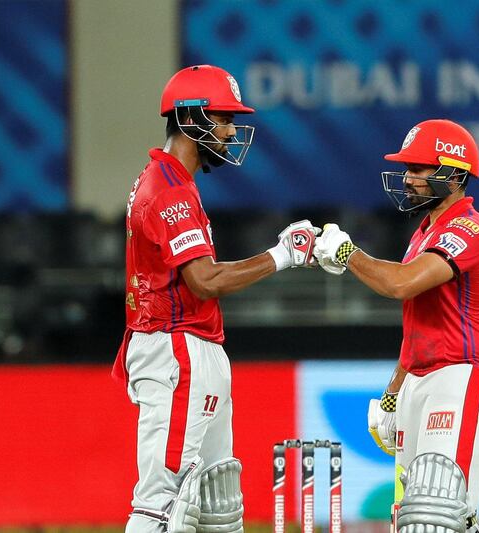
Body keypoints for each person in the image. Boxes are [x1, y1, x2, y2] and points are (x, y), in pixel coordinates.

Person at [112, 64, 319, 533]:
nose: (230, 131)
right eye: (222, 118)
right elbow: (204, 280)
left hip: (189, 344)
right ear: (189, 119)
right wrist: (282, 255)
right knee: (161, 500)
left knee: (217, 501)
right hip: (177, 348)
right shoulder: (168, 190)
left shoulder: (173, 182)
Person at [314, 119, 479, 533]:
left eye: (419, 169)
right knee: (412, 516)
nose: (408, 178)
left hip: (457, 376)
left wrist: (348, 253)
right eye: (408, 169)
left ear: (453, 174)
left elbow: (400, 285)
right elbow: (417, 327)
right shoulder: (423, 233)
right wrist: (392, 395)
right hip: (420, 378)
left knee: (436, 512)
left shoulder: (470, 229)